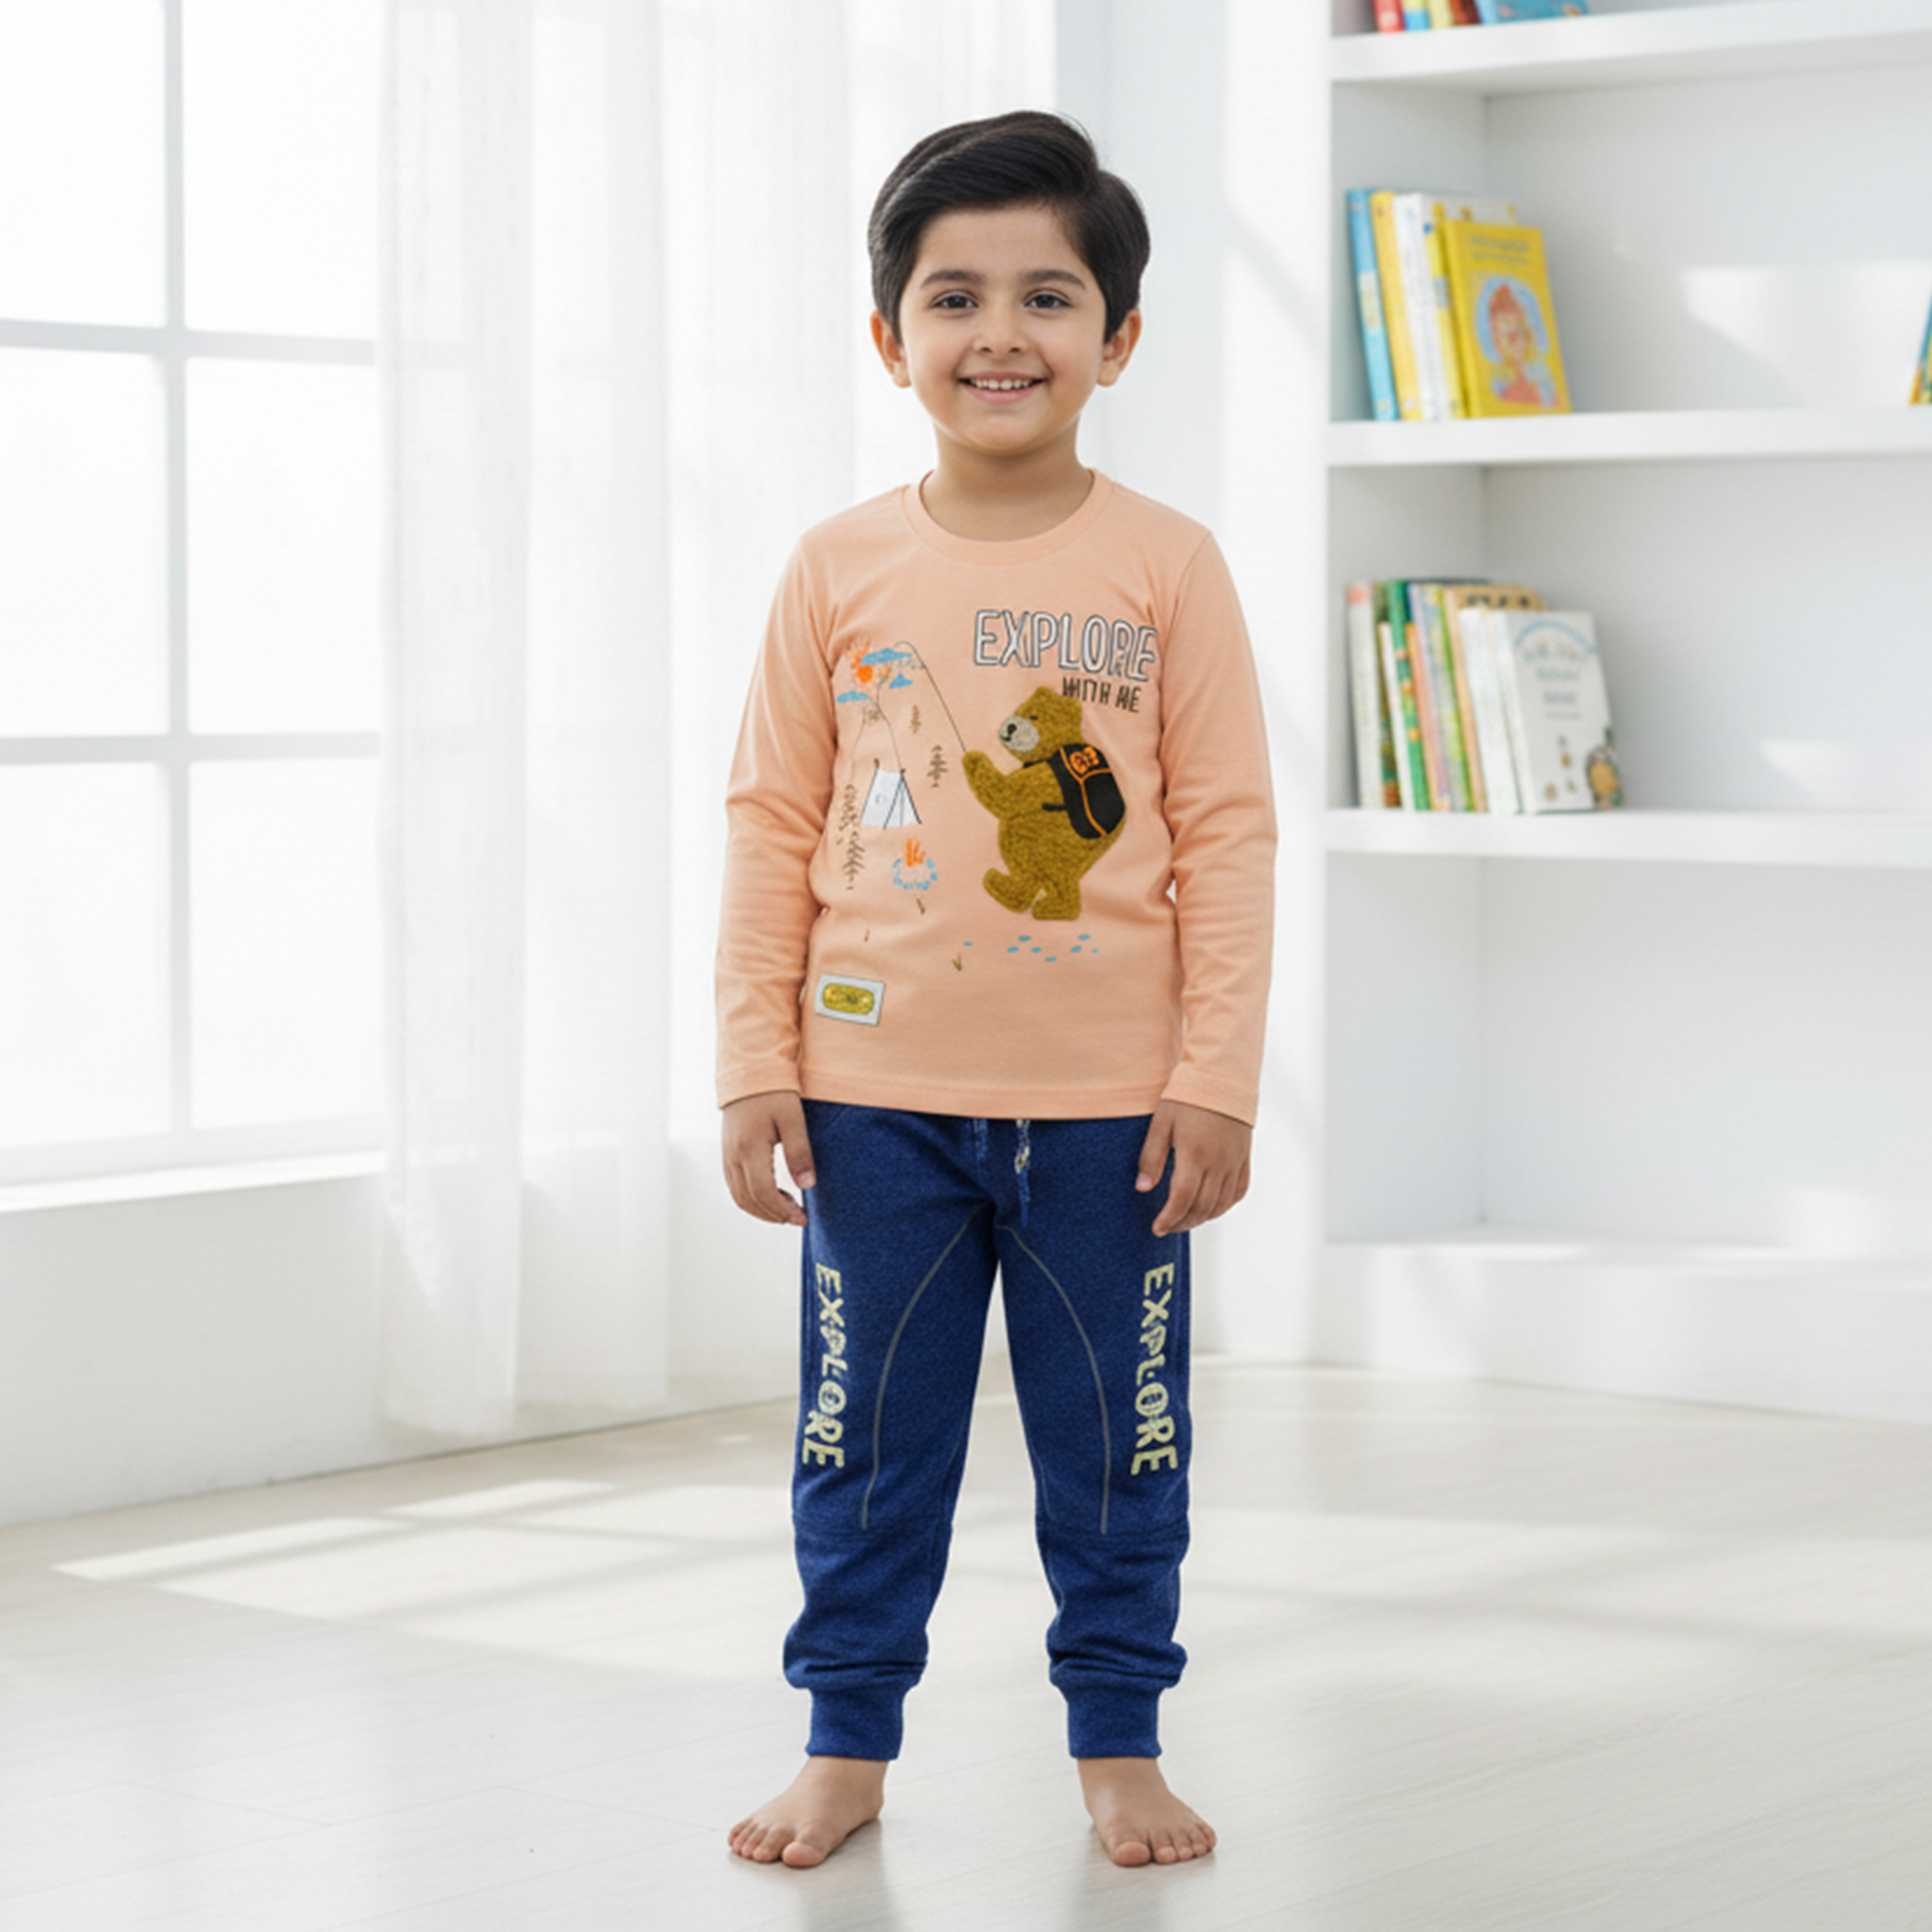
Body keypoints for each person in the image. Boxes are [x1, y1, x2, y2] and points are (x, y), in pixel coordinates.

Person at [715, 108, 1274, 1872]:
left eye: (1049, 295)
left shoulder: (1167, 565)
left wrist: (1219, 1077)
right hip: (871, 1100)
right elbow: (769, 821)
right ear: (892, 339)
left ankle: (1119, 1741)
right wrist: (754, 1062)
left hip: (1112, 1109)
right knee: (860, 1439)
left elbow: (1230, 838)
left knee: (1121, 1441)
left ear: (1119, 338)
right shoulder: (834, 566)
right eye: (954, 297)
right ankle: (846, 1740)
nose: (1000, 333)